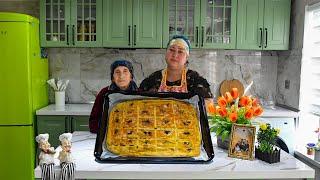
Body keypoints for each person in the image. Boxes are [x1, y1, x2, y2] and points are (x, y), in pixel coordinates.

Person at [139, 35, 213, 99]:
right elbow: (138, 102)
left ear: (186, 57)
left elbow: (207, 105)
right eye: (171, 50)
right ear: (166, 52)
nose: (175, 55)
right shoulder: (152, 80)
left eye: (180, 51)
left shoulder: (196, 81)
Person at [89, 60, 138, 133]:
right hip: (109, 135)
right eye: (117, 72)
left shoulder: (140, 94)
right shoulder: (104, 93)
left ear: (131, 76)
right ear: (112, 78)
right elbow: (93, 124)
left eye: (125, 71)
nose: (121, 76)